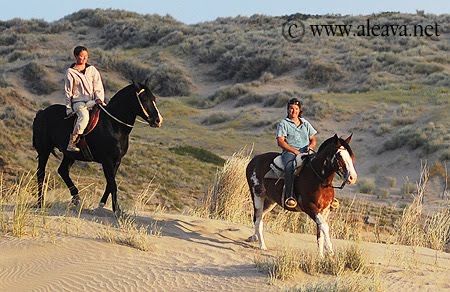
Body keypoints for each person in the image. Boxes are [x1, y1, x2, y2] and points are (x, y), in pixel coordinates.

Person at [276, 98, 317, 208]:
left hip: (306, 151)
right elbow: (280, 141)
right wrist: (294, 150)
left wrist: (310, 146)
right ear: (288, 110)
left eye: (296, 109)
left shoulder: (305, 123)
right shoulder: (283, 123)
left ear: (300, 110)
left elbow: (313, 139)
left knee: (320, 164)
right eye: (291, 108)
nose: (293, 111)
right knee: (290, 167)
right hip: (290, 152)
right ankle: (289, 196)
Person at [64, 46, 105, 152]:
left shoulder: (92, 70)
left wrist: (99, 98)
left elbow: (98, 86)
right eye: (82, 56)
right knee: (84, 117)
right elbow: (68, 91)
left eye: (86, 56)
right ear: (76, 56)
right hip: (78, 102)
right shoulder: (70, 72)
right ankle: (72, 142)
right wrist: (69, 108)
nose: (84, 58)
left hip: (92, 100)